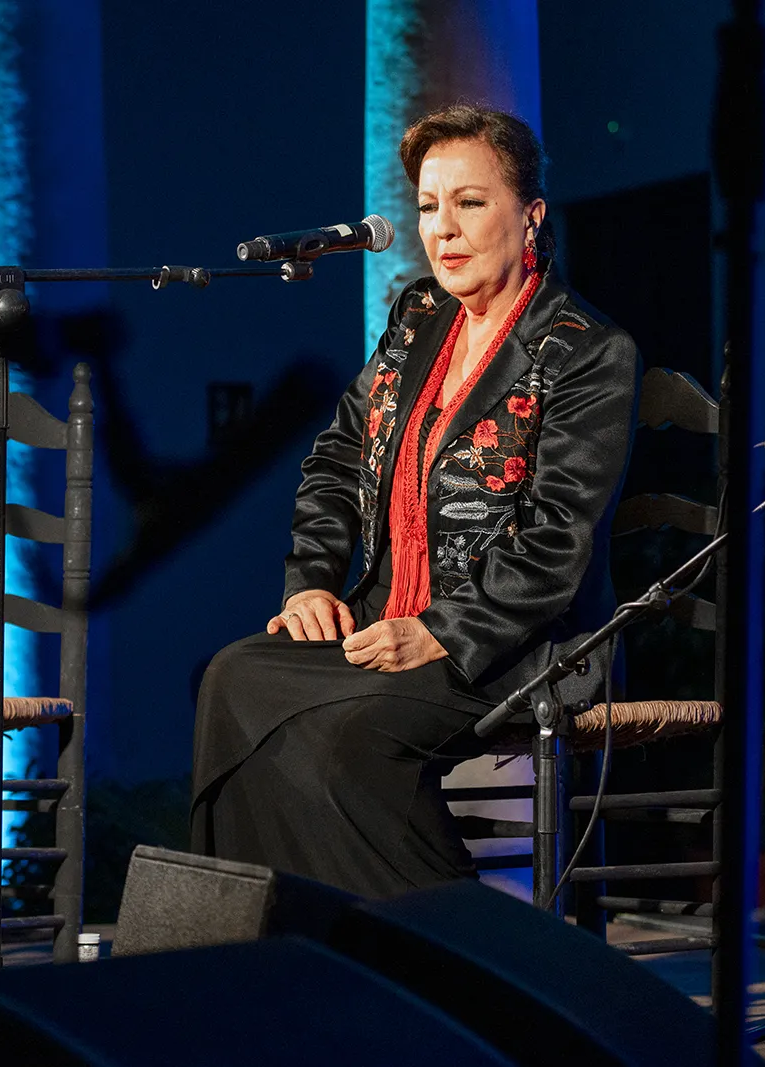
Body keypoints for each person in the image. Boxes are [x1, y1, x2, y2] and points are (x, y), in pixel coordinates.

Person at [191, 105, 639, 900]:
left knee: (347, 740)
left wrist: (438, 631)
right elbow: (335, 457)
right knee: (233, 676)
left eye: (470, 203)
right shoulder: (415, 319)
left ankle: (474, 956)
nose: (444, 230)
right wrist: (312, 583)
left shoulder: (588, 350)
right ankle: (274, 949)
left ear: (531, 215)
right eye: (430, 207)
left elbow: (554, 542)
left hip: (515, 646)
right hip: (386, 618)